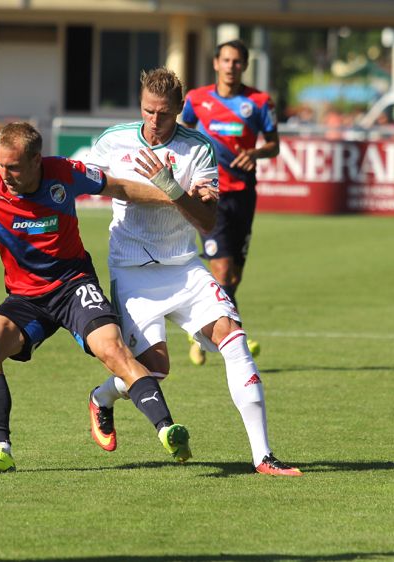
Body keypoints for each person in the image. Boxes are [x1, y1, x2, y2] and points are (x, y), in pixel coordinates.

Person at [0, 121, 196, 473]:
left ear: (36, 160)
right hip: (26, 298)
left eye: (12, 166)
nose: (4, 173)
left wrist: (175, 197)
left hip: (73, 285)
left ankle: (168, 430)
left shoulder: (65, 172)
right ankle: (0, 448)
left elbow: (119, 186)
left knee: (112, 349)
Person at [84, 68, 301, 477]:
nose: (154, 120)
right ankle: (102, 398)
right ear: (141, 104)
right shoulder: (113, 141)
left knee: (234, 340)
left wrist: (173, 187)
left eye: (164, 113)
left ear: (180, 110)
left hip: (184, 266)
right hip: (132, 271)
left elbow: (205, 222)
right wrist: (168, 194)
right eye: (148, 111)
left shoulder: (197, 148)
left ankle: (263, 457)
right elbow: (93, 182)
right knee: (156, 370)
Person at [182, 39, 280, 365]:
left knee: (233, 277)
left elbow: (274, 145)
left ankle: (202, 327)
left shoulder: (259, 102)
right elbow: (181, 133)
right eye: (226, 60)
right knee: (221, 271)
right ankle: (232, 338)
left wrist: (256, 152)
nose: (231, 66)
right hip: (211, 194)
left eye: (237, 61)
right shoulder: (197, 100)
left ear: (245, 66)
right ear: (216, 63)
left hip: (244, 194)